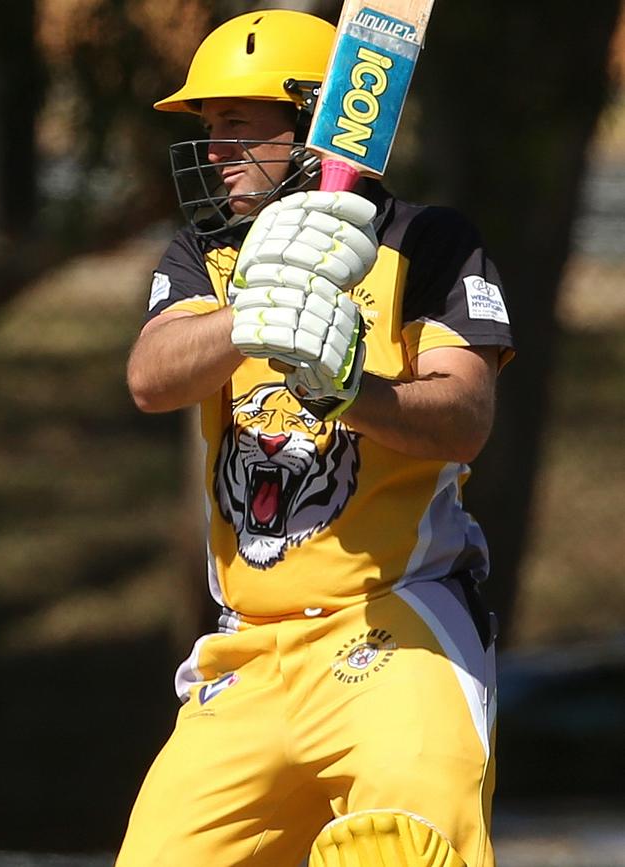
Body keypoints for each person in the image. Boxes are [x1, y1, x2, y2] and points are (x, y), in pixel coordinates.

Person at [116, 9, 514, 867]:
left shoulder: (427, 241)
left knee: (407, 848)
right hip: (247, 644)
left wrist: (347, 390)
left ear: (311, 124)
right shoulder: (207, 252)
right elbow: (153, 375)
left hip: (396, 621)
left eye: (234, 125)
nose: (213, 148)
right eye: (208, 128)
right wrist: (256, 313)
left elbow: (466, 418)